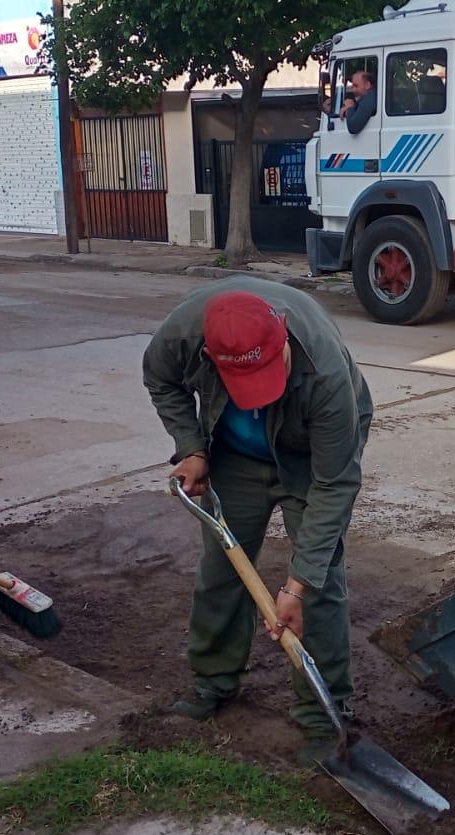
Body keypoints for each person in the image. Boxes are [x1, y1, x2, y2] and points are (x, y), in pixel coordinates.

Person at [142, 278, 373, 766]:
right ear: (211, 356)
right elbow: (160, 380)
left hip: (308, 456)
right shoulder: (183, 333)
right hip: (235, 454)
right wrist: (192, 448)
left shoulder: (325, 374)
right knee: (222, 567)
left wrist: (296, 586)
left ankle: (323, 713)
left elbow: (335, 485)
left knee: (321, 580)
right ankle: (214, 682)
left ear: (283, 335)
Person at [339, 70, 377, 134]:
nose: (353, 90)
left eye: (356, 86)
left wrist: (350, 107)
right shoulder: (371, 97)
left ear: (367, 85)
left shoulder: (370, 98)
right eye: (352, 86)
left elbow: (353, 127)